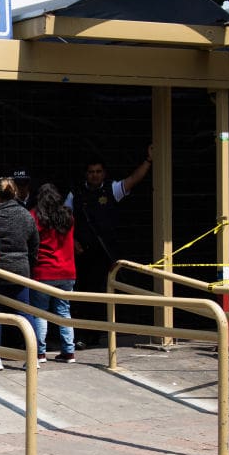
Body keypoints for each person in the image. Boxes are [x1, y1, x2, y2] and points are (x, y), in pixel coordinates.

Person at [66, 146, 152, 348]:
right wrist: (72, 242)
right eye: (91, 172)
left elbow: (132, 180)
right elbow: (64, 220)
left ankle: (95, 335)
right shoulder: (75, 193)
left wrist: (148, 161)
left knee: (101, 295)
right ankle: (81, 335)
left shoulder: (111, 189)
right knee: (81, 295)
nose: (95, 176)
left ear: (104, 173)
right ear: (86, 174)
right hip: (81, 254)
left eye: (98, 171)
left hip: (105, 254)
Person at [0, 177, 39, 371]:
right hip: (21, 270)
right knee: (24, 312)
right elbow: (34, 243)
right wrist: (28, 262)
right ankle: (33, 356)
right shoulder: (26, 214)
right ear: (14, 193)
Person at [29, 183, 77, 364]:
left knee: (40, 313)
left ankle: (40, 352)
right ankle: (69, 351)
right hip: (67, 271)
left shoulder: (35, 216)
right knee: (64, 312)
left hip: (43, 271)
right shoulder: (68, 216)